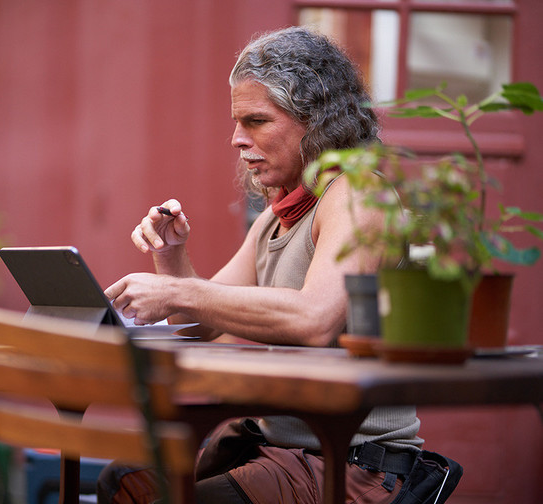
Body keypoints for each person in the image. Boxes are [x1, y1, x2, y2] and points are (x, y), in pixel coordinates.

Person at [99, 26, 423, 503]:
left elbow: (314, 318)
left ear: (317, 121)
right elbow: (197, 325)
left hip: (351, 463)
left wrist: (177, 291)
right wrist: (171, 258)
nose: (235, 139)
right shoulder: (276, 215)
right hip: (282, 450)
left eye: (256, 121)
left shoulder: (360, 194)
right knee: (123, 481)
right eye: (237, 123)